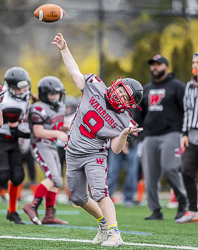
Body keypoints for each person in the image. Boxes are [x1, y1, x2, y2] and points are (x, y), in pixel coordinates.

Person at [52, 33, 143, 247]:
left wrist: (122, 135)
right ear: (116, 84)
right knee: (77, 198)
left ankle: (114, 233)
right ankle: (102, 223)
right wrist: (64, 49)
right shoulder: (94, 85)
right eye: (121, 90)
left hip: (94, 155)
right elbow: (75, 72)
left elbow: (117, 149)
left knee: (101, 193)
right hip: (72, 151)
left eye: (125, 97)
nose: (120, 95)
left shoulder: (123, 121)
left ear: (128, 104)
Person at [135, 54, 188, 221]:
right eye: (152, 65)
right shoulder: (147, 88)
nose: (154, 68)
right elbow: (139, 114)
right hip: (150, 136)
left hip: (171, 133)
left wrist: (185, 133)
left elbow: (187, 109)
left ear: (166, 66)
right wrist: (136, 134)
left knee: (170, 168)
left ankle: (183, 203)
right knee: (150, 175)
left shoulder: (177, 86)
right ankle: (155, 210)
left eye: (158, 64)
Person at [23, 76, 69, 225]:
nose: (55, 97)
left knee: (57, 181)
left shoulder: (60, 107)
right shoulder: (38, 108)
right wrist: (58, 133)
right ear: (44, 94)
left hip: (51, 145)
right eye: (52, 94)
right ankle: (32, 206)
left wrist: (65, 126)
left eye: (57, 94)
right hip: (40, 144)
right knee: (53, 178)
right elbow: (38, 132)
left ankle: (49, 214)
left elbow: (55, 125)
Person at [0, 66, 31, 224]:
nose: (23, 91)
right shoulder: (8, 103)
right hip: (1, 139)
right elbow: (15, 129)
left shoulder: (22, 93)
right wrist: (34, 135)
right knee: (3, 175)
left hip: (12, 140)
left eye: (25, 87)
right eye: (19, 89)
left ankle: (12, 211)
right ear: (10, 89)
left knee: (18, 176)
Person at [175, 52, 198, 223]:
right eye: (194, 62)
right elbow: (187, 112)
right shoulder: (189, 86)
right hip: (192, 137)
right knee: (186, 171)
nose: (195, 65)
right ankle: (193, 210)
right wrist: (184, 134)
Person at [107, 140, 139, 207]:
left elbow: (141, 130)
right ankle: (106, 198)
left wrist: (127, 142)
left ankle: (128, 199)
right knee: (112, 174)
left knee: (131, 174)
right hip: (115, 145)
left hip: (132, 145)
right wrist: (122, 143)